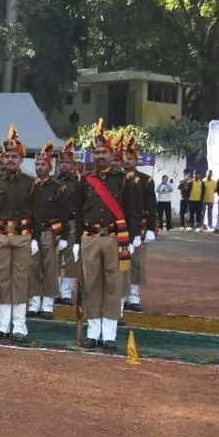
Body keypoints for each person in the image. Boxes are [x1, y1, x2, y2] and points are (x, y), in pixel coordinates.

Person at [77, 120, 141, 350]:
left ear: (112, 154)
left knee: (113, 285)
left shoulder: (123, 180)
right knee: (92, 285)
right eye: (96, 152)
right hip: (91, 238)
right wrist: (75, 242)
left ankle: (109, 334)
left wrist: (133, 238)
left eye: (104, 152)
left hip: (114, 239)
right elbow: (78, 212)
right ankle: (93, 332)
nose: (100, 156)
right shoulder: (85, 180)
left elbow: (133, 211)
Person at [0, 126, 35, 341]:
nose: (10, 160)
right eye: (7, 156)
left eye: (14, 156)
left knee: (20, 279)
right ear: (1, 159)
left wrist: (36, 239)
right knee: (3, 279)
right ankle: (3, 324)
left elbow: (37, 213)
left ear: (21, 159)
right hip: (1, 235)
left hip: (23, 236)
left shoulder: (31, 183)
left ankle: (19, 325)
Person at [27, 141, 66, 320]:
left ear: (50, 167)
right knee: (33, 267)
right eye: (37, 164)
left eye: (43, 164)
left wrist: (63, 236)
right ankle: (34, 303)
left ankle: (48, 305)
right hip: (33, 233)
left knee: (50, 268)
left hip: (50, 232)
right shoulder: (30, 185)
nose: (40, 167)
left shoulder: (57, 187)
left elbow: (63, 213)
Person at [120, 133, 155, 312]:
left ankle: (134, 297)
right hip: (119, 227)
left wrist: (151, 228)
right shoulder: (116, 179)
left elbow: (152, 206)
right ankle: (122, 295)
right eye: (124, 158)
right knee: (121, 263)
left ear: (136, 160)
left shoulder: (146, 180)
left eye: (130, 158)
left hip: (139, 228)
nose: (127, 161)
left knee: (137, 263)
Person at [55, 139, 84, 306]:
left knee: (70, 259)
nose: (64, 165)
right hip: (55, 224)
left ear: (73, 164)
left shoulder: (78, 182)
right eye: (61, 162)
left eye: (67, 162)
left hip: (72, 224)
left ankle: (66, 292)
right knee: (54, 259)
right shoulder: (53, 180)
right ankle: (54, 290)